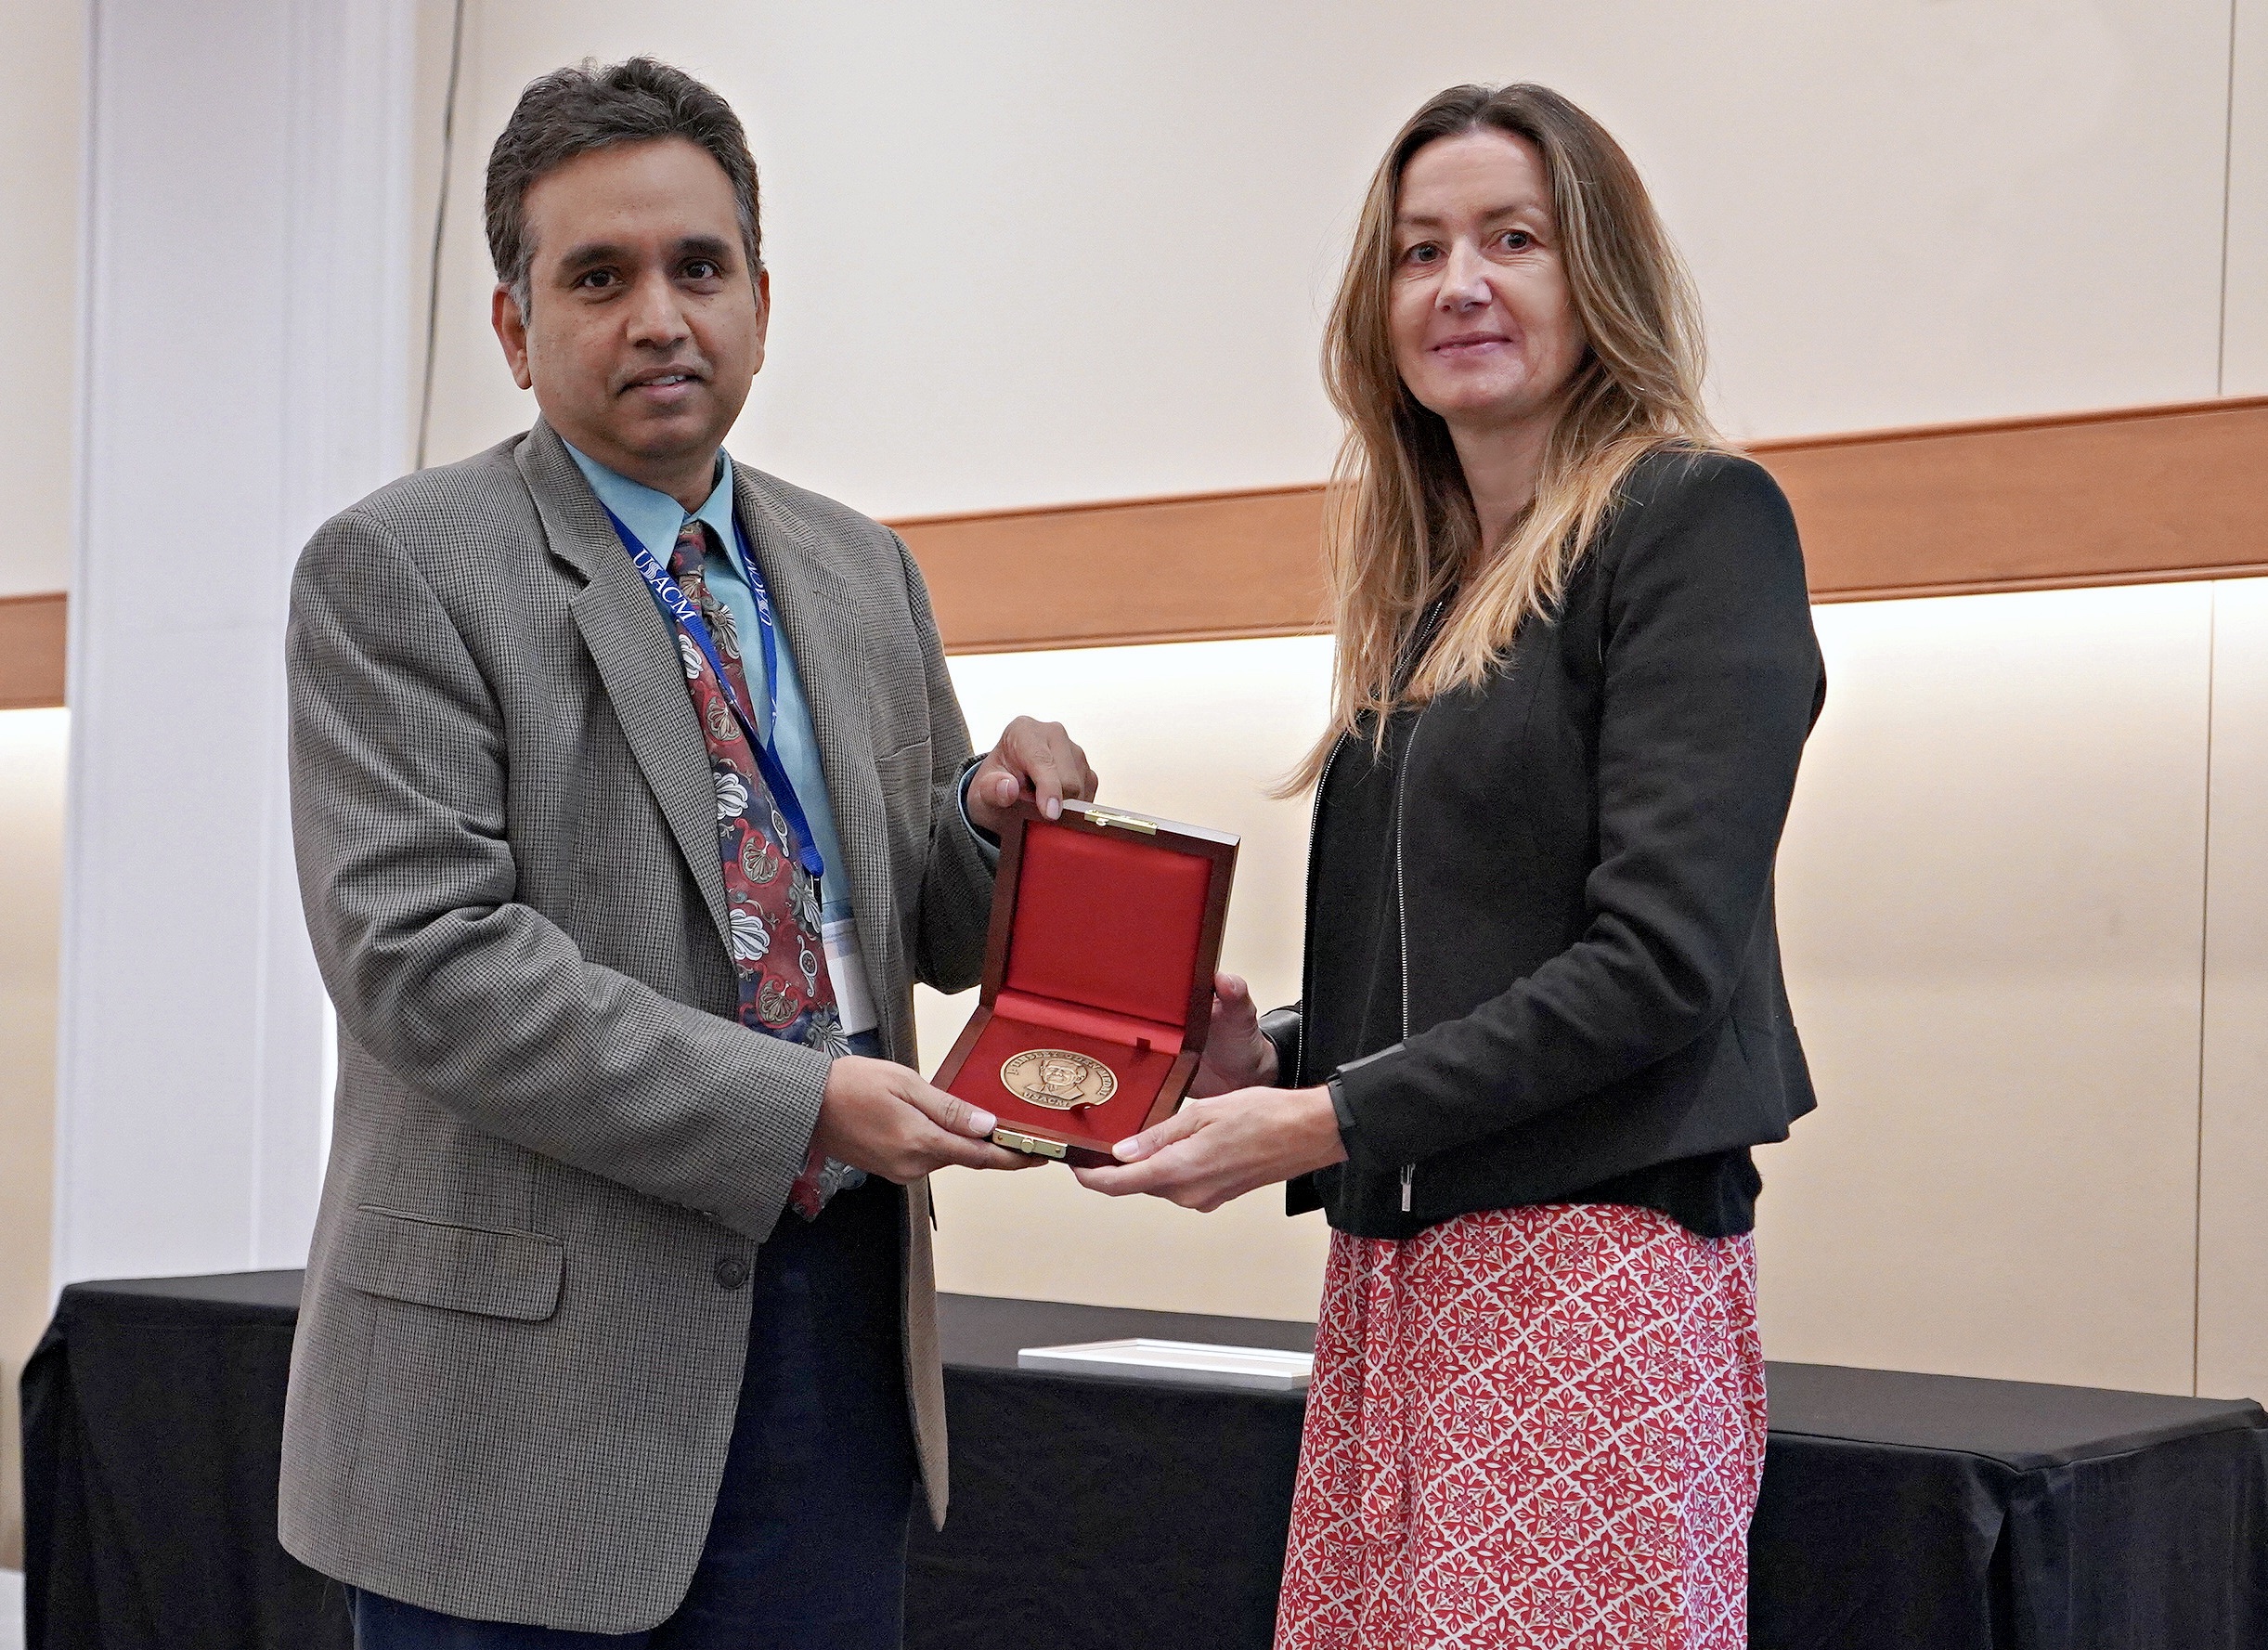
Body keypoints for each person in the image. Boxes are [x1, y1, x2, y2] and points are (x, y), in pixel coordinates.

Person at [279, 58, 1095, 1649]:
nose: (661, 316)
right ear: (516, 329)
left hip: (836, 1348)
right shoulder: (399, 570)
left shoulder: (862, 572)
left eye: (698, 269)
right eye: (600, 276)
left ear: (762, 301)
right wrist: (807, 1101)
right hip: (522, 1410)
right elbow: (432, 967)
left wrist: (997, 834)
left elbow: (915, 917)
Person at [1077, 83, 1825, 1647]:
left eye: (1512, 239)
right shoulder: (1427, 592)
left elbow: (1659, 967)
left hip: (1591, 1286)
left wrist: (1326, 1111)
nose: (1459, 283)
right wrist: (1266, 1056)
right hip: (1398, 1285)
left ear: (1596, 276)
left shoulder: (1697, 521)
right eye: (1419, 251)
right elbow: (1456, 963)